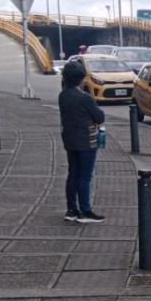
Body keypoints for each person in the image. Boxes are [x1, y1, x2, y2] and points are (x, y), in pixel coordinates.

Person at [59, 61, 106, 223]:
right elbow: (99, 117)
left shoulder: (63, 95)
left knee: (73, 174)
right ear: (81, 78)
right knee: (85, 177)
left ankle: (71, 209)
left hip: (69, 140)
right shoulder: (84, 98)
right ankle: (85, 211)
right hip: (86, 141)